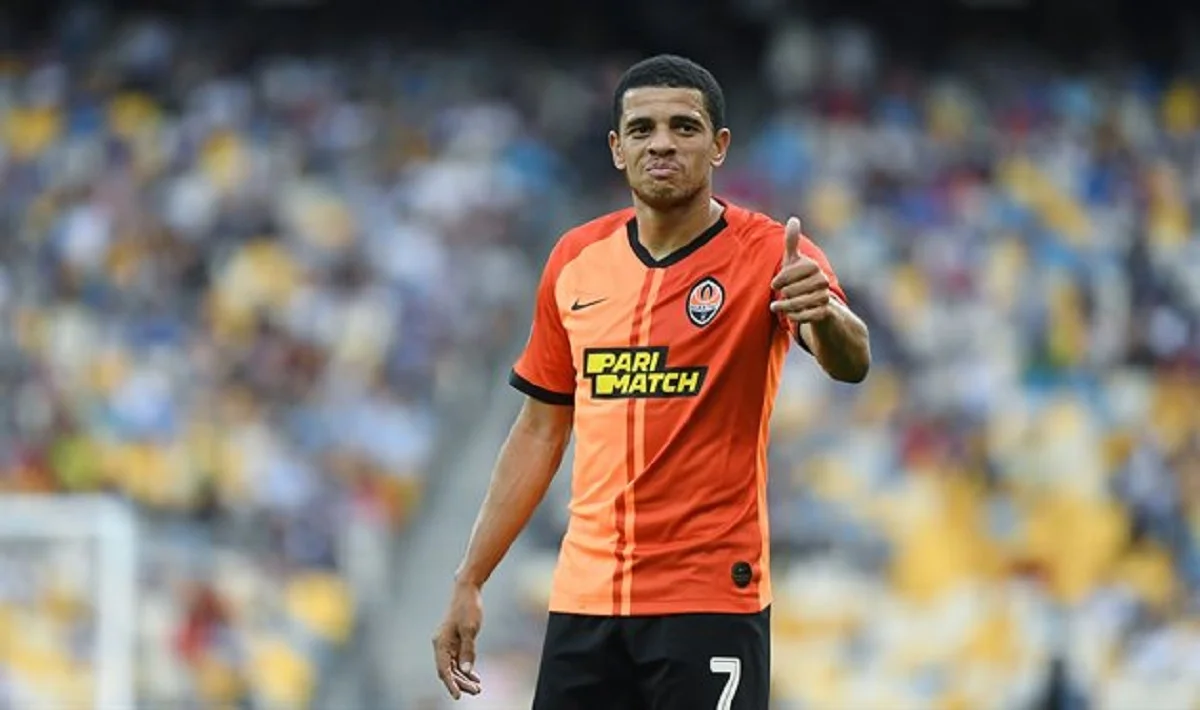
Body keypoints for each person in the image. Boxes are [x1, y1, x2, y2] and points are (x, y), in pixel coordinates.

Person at [431, 54, 871, 709]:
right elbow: (540, 430)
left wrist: (825, 315)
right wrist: (470, 577)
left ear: (719, 145)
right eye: (642, 129)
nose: (661, 143)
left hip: (709, 600)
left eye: (683, 127)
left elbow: (851, 361)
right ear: (617, 148)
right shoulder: (575, 260)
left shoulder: (771, 254)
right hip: (585, 603)